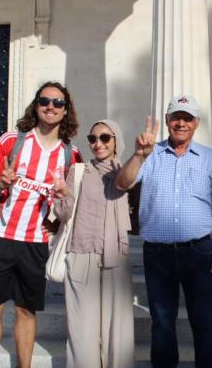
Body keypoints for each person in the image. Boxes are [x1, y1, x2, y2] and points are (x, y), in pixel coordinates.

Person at [116, 95, 212, 368]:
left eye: (187, 118)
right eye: (176, 117)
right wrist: (138, 155)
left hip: (200, 252)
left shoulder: (208, 158)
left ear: (196, 123)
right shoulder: (150, 154)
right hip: (158, 255)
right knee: (162, 325)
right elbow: (122, 183)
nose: (181, 123)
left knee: (205, 324)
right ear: (167, 121)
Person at [0, 81, 82, 368]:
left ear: (65, 111)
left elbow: (70, 207)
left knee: (26, 311)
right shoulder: (12, 141)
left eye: (58, 103)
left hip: (35, 242)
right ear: (36, 105)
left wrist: (59, 215)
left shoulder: (71, 156)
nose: (51, 106)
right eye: (45, 101)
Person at [53, 119, 134, 368]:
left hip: (114, 256)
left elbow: (128, 182)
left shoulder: (127, 171)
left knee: (117, 334)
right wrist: (62, 196)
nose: (98, 144)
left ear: (116, 140)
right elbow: (64, 215)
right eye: (92, 139)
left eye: (105, 138)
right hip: (81, 253)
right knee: (81, 333)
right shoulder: (78, 171)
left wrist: (141, 154)